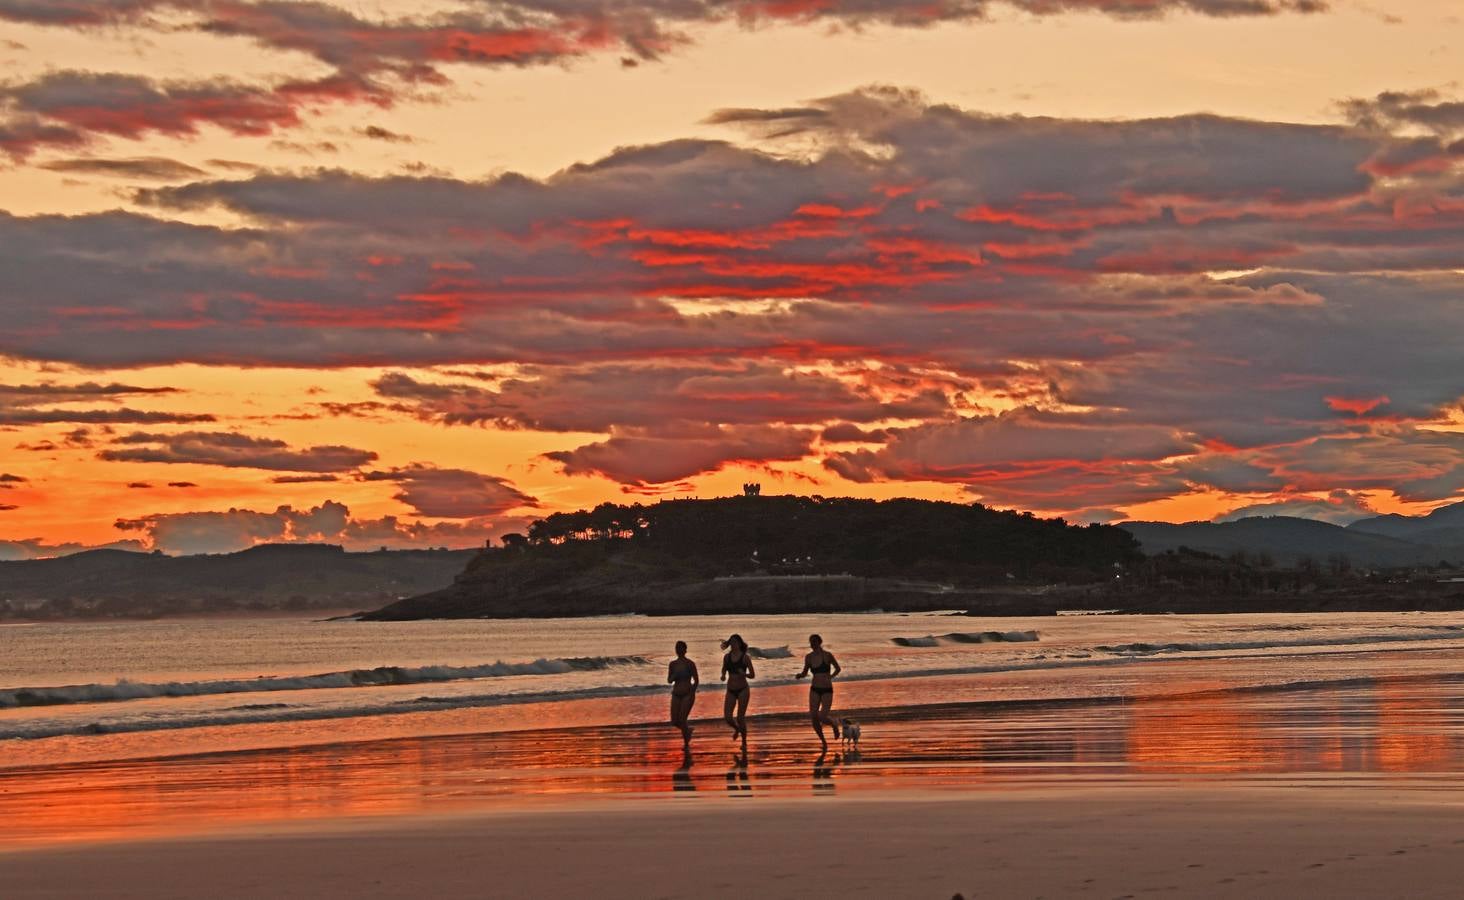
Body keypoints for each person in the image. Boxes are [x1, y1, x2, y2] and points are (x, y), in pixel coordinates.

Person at [796, 633, 841, 749]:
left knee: (822, 716)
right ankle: (823, 742)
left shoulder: (827, 655)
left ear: (819, 642)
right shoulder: (809, 657)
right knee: (813, 717)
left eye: (814, 642)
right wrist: (800, 675)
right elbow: (805, 672)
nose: (812, 644)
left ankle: (834, 724)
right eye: (811, 642)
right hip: (814, 689)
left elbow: (838, 668)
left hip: (827, 690)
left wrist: (830, 677)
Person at [720, 633, 755, 742]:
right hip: (731, 690)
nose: (734, 644)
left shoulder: (745, 657)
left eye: (735, 642)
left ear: (740, 644)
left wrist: (743, 674)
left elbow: (752, 675)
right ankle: (737, 729)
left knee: (740, 717)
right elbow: (724, 669)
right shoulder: (726, 657)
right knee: (728, 717)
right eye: (732, 642)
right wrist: (723, 675)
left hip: (743, 689)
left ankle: (744, 742)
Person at [667, 640, 699, 748]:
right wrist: (674, 675)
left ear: (685, 650)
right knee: (674, 721)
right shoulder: (673, 664)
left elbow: (696, 680)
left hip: (687, 694)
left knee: (682, 719)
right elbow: (669, 680)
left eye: (681, 648)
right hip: (676, 694)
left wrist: (692, 692)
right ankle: (688, 731)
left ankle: (686, 744)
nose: (678, 650)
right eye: (677, 648)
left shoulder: (690, 663)